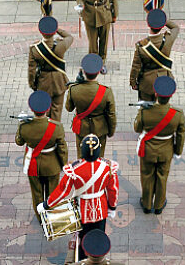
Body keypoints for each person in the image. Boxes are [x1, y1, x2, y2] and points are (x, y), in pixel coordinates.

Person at [37, 134, 119, 261]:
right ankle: (98, 261)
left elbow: (62, 191)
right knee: (99, 239)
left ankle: (82, 261)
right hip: (101, 210)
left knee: (82, 240)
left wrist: (47, 204)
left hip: (82, 211)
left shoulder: (74, 169)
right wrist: (112, 207)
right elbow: (113, 190)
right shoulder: (108, 167)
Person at [134, 76, 185, 215]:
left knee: (147, 175)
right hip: (166, 150)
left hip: (148, 150)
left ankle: (146, 204)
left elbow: (137, 128)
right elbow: (180, 135)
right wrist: (178, 152)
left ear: (155, 93)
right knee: (162, 177)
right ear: (171, 95)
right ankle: (159, 205)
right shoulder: (178, 114)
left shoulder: (145, 112)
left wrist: (140, 111)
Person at [15, 90, 68, 222]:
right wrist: (63, 164)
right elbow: (62, 149)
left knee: (37, 194)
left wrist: (20, 124)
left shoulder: (24, 126)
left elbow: (19, 142)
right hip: (52, 165)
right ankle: (51, 218)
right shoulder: (56, 127)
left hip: (33, 165)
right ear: (48, 108)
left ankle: (41, 218)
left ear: (32, 109)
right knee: (52, 194)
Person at [65, 54, 116, 158]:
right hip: (100, 129)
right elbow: (111, 115)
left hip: (82, 128)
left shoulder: (74, 89)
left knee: (81, 157)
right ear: (98, 72)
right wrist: (111, 131)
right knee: (99, 158)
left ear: (83, 72)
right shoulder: (106, 91)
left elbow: (69, 108)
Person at [28, 16, 74, 121]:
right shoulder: (61, 45)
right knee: (57, 109)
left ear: (40, 31)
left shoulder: (35, 49)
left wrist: (32, 84)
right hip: (59, 81)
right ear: (54, 32)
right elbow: (70, 37)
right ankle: (55, 130)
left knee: (44, 109)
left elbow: (31, 70)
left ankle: (45, 128)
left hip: (43, 82)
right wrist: (57, 29)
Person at [129, 9, 179, 102]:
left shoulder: (141, 46)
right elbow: (175, 27)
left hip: (146, 84)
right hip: (164, 80)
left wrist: (133, 82)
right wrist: (162, 20)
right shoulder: (168, 39)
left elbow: (136, 67)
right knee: (161, 107)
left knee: (146, 108)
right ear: (162, 26)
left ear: (148, 25)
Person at [76, 0, 118, 75]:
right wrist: (80, 5)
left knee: (104, 41)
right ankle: (94, 63)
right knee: (92, 43)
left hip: (104, 14)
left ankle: (102, 62)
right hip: (90, 15)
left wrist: (115, 14)